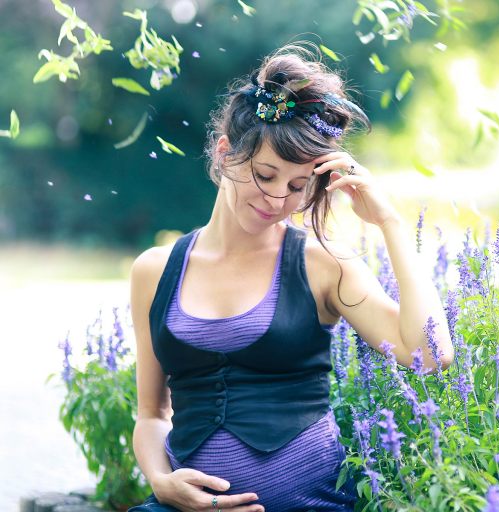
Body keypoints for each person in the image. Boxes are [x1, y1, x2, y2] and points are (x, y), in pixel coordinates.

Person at [127, 42, 453, 512]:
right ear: (224, 155)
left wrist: (391, 224)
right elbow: (152, 414)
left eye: (299, 186)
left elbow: (430, 353)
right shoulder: (154, 271)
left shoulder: (322, 265)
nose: (279, 198)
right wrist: (161, 481)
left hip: (311, 504)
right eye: (265, 174)